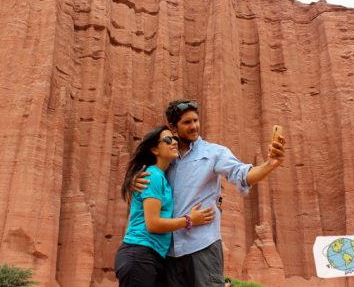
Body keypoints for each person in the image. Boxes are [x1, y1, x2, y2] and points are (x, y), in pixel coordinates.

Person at [134, 100, 286, 287]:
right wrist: (134, 182)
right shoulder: (167, 157)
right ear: (173, 127)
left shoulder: (214, 153)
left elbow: (243, 175)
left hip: (203, 246)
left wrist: (270, 164)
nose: (194, 126)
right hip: (170, 251)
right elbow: (146, 177)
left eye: (196, 120)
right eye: (187, 122)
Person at [114, 125, 215, 287]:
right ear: (154, 149)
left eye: (174, 139)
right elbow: (153, 224)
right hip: (140, 254)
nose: (174, 142)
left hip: (152, 257)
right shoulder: (153, 176)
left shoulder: (161, 177)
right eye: (168, 140)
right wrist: (189, 220)